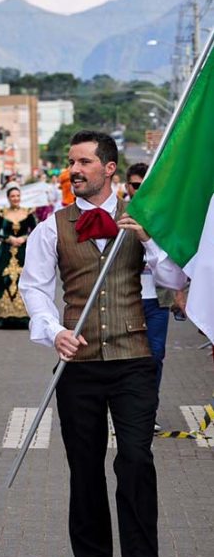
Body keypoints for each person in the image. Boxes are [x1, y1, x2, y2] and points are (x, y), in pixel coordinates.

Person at [19, 130, 187, 557]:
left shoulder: (141, 219)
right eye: (71, 162)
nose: (74, 170)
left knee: (135, 461)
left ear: (109, 168)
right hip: (78, 366)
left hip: (133, 360)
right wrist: (53, 330)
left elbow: (172, 281)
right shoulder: (50, 228)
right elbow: (33, 288)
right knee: (85, 470)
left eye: (84, 162)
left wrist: (149, 240)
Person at [125, 162, 185, 431]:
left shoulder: (163, 215)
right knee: (127, 358)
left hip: (158, 299)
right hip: (127, 298)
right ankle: (127, 412)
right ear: (127, 186)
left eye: (145, 186)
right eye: (136, 186)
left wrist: (180, 293)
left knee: (155, 356)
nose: (140, 191)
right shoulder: (118, 214)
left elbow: (173, 260)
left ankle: (149, 412)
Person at [0, 186, 37, 329]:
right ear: (8, 198)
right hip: (5, 251)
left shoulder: (28, 213)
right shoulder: (2, 214)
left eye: (17, 196)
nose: (15, 198)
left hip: (23, 251)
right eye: (13, 196)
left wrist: (24, 238)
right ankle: (0, 314)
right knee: (0, 279)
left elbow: (35, 232)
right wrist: (8, 238)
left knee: (27, 279)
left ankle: (25, 315)